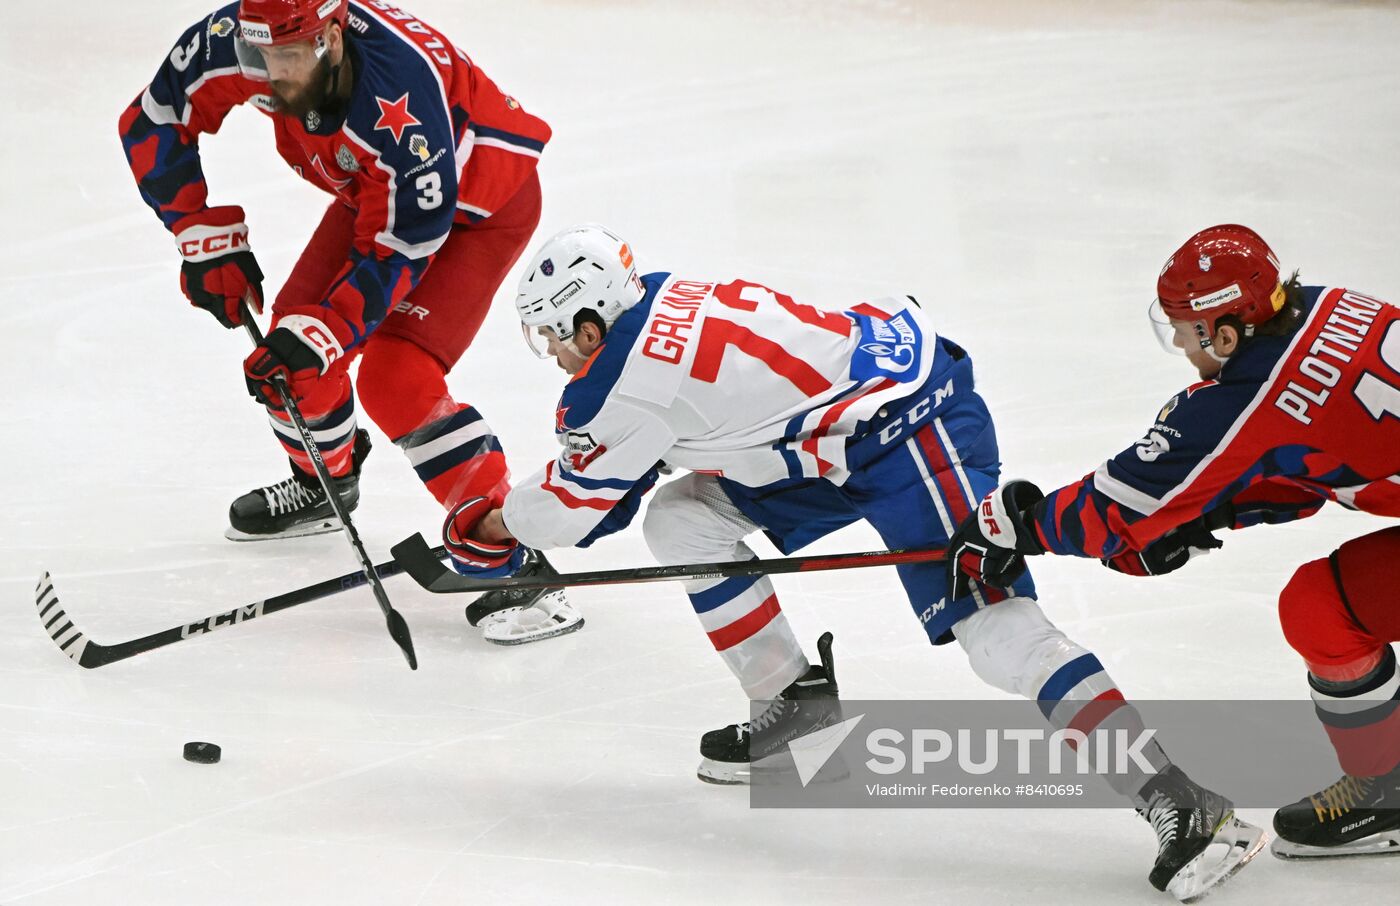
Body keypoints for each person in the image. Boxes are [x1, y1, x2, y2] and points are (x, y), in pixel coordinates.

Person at [442, 223, 1263, 900]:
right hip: (829, 436)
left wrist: (486, 523)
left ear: (591, 323)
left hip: (908, 426)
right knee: (685, 519)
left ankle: (1179, 798)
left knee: (994, 629)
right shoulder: (649, 298)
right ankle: (793, 703)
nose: (550, 352)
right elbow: (624, 484)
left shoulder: (621, 383)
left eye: (553, 335)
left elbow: (568, 514)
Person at [119, 0, 578, 643]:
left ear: (333, 37)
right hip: (378, 190)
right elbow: (154, 117)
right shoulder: (238, 37)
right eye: (260, 58)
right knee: (291, 347)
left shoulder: (401, 95)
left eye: (289, 57)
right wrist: (198, 230)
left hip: (476, 207)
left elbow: (410, 239)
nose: (272, 75)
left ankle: (516, 555)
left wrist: (331, 330)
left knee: (397, 375)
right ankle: (324, 484)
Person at [948, 223, 1400, 859]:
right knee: (1321, 606)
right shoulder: (1328, 306)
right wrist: (1205, 517)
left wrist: (1017, 527)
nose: (1185, 350)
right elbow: (1309, 467)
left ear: (1224, 332)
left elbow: (1111, 511)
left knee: (1323, 610)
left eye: (1185, 333)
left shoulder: (1256, 390)